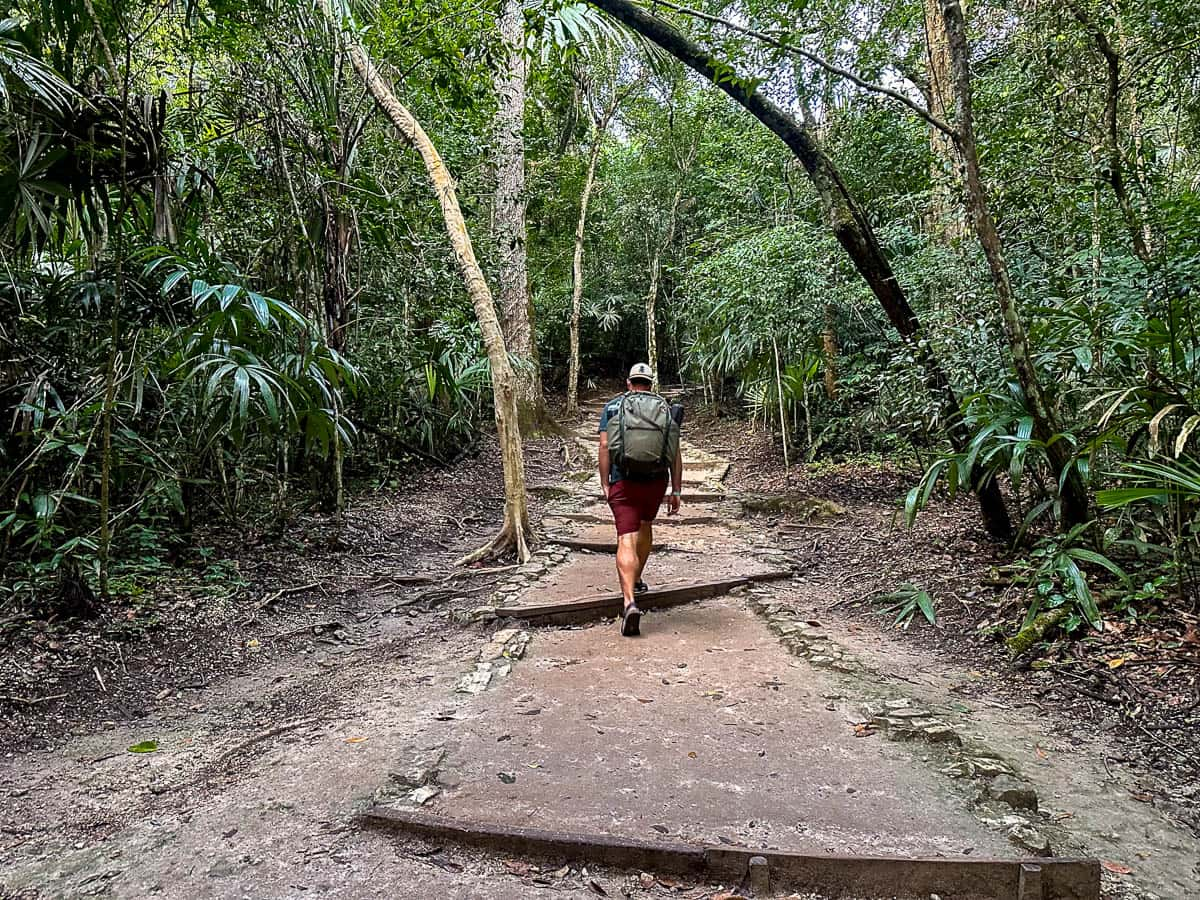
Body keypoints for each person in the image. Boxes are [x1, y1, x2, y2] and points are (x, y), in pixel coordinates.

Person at [597, 363, 683, 637]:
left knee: (625, 537)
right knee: (645, 526)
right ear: (650, 383)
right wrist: (676, 490)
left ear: (629, 383)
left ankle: (629, 601)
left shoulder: (613, 407)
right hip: (655, 481)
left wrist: (605, 482)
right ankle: (636, 578)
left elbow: (603, 445)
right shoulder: (664, 410)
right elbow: (674, 452)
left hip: (624, 480)